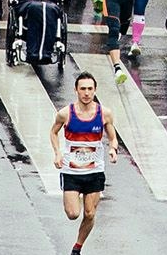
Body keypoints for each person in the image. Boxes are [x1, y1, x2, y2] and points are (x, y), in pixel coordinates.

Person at [49, 72, 118, 255]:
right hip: (72, 171)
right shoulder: (65, 114)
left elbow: (113, 137)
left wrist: (113, 148)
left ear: (95, 90)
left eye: (90, 89)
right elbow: (53, 132)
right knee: (73, 214)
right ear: (76, 90)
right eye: (83, 89)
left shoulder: (104, 113)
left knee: (89, 214)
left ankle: (77, 248)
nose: (86, 93)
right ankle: (77, 195)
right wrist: (57, 153)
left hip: (95, 170)